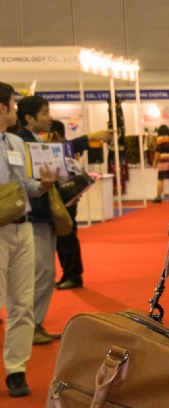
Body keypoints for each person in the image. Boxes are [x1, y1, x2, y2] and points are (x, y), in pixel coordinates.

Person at [0, 83, 50, 397]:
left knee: (22, 302)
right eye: (13, 103)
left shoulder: (16, 142)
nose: (16, 110)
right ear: (1, 108)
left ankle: (16, 370)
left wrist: (42, 186)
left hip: (24, 227)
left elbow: (26, 184)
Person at [16, 96, 69, 343]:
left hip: (42, 214)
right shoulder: (19, 143)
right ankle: (30, 326)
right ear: (29, 117)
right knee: (41, 273)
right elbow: (24, 183)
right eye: (45, 113)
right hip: (31, 216)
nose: (50, 118)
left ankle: (33, 324)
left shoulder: (35, 141)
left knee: (44, 273)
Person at [47, 120, 83, 289]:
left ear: (55, 134)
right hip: (62, 198)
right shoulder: (60, 150)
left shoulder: (65, 151)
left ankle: (73, 275)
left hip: (66, 199)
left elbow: (75, 175)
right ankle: (68, 273)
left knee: (67, 238)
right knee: (62, 239)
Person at [151, 124, 169, 203]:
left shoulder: (159, 139)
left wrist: (155, 161)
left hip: (162, 160)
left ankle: (158, 197)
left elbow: (158, 152)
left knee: (160, 179)